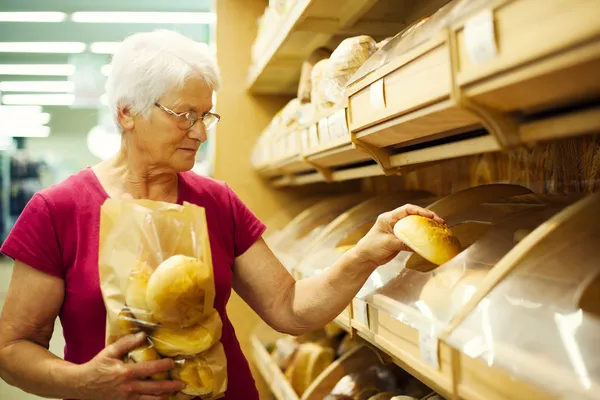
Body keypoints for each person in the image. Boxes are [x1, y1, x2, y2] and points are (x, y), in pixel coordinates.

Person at [0, 30, 443, 400]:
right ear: (127, 113)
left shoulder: (217, 201)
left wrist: (366, 253)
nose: (199, 132)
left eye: (206, 115)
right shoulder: (56, 211)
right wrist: (83, 382)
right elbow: (13, 348)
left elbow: (289, 309)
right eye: (184, 115)